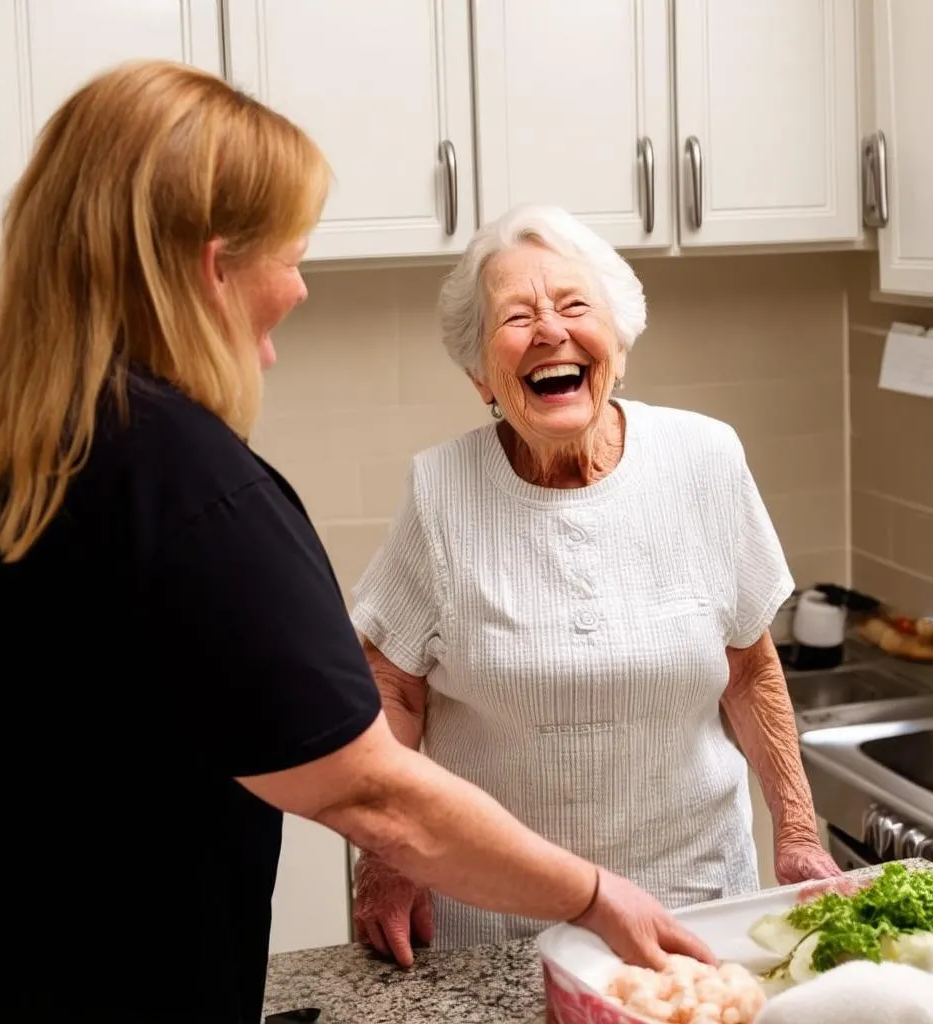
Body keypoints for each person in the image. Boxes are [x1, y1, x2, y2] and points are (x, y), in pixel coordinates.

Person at [0, 65, 713, 1024]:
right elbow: (377, 796)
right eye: (290, 255)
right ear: (214, 267)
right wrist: (594, 894)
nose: (297, 286)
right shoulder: (197, 493)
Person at [351, 204, 841, 962]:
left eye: (575, 305)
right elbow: (396, 692)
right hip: (499, 922)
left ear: (619, 340)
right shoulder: (441, 490)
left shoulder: (705, 459)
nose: (550, 331)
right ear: (480, 372)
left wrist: (799, 834)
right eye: (517, 316)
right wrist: (388, 857)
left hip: (697, 911)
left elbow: (749, 669)